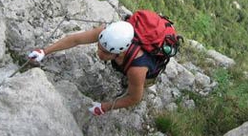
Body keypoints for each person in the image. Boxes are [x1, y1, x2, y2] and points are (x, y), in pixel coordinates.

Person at [28, 21, 158, 116]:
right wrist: (44, 51)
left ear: (122, 52)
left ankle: (136, 81)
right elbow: (75, 40)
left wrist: (104, 107)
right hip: (125, 61)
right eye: (99, 47)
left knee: (134, 86)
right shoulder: (106, 35)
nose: (99, 54)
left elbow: (135, 98)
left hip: (144, 73)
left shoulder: (137, 69)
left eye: (106, 53)